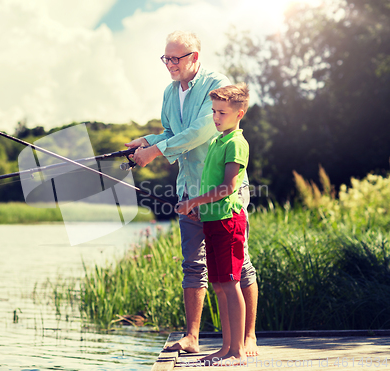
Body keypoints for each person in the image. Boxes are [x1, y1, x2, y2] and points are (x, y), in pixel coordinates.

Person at [125, 31, 258, 356]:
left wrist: (156, 152)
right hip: (189, 192)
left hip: (223, 197)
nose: (169, 64)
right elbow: (172, 132)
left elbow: (201, 131)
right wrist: (147, 140)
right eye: (166, 58)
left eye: (176, 58)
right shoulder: (170, 93)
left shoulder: (217, 85)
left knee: (239, 267)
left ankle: (247, 338)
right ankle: (192, 336)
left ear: (194, 57)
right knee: (193, 265)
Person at [175, 83, 250, 365]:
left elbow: (229, 187)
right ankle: (226, 347)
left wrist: (194, 202)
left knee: (231, 284)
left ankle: (238, 352)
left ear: (239, 114)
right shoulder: (218, 141)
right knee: (219, 284)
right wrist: (200, 210)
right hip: (213, 221)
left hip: (229, 222)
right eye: (214, 112)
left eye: (222, 112)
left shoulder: (235, 143)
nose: (216, 117)